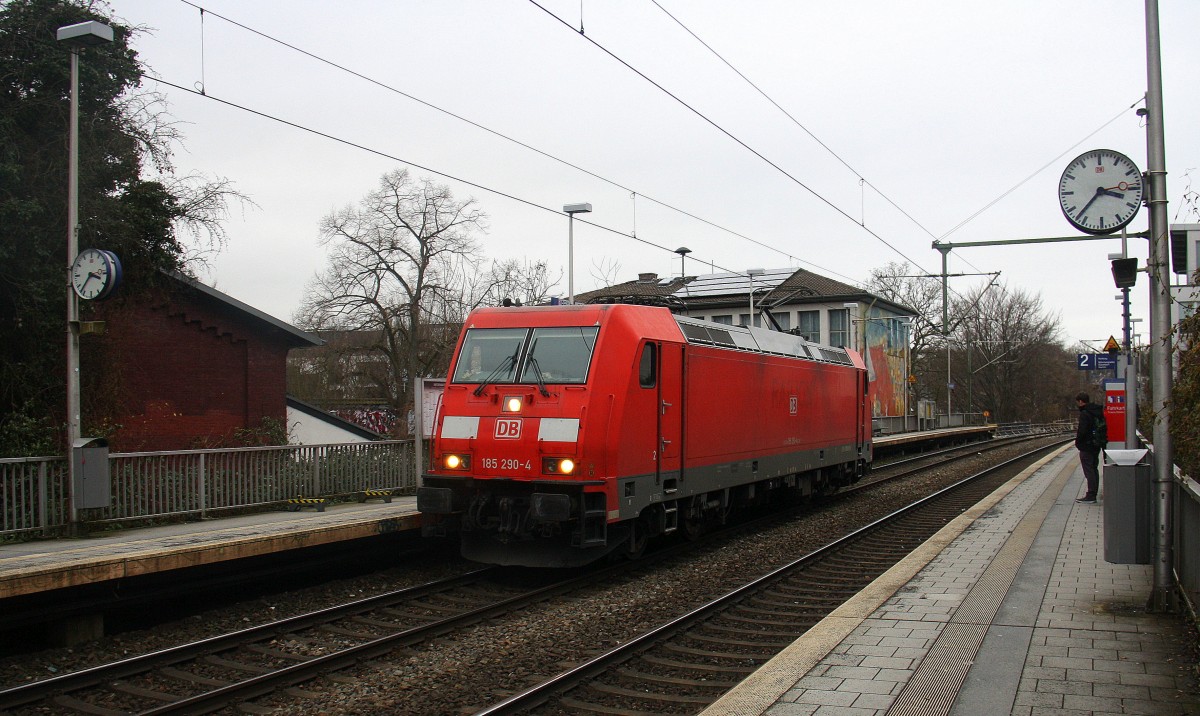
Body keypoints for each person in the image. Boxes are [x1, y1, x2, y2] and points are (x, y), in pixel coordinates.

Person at [1074, 392, 1105, 503]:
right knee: (1093, 468)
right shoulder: (1096, 411)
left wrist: (1078, 443)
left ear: (1081, 401)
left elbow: (1082, 431)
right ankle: (1093, 493)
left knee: (1088, 470)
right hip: (1096, 445)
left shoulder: (1085, 413)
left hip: (1086, 446)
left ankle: (1091, 495)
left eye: (1077, 402)